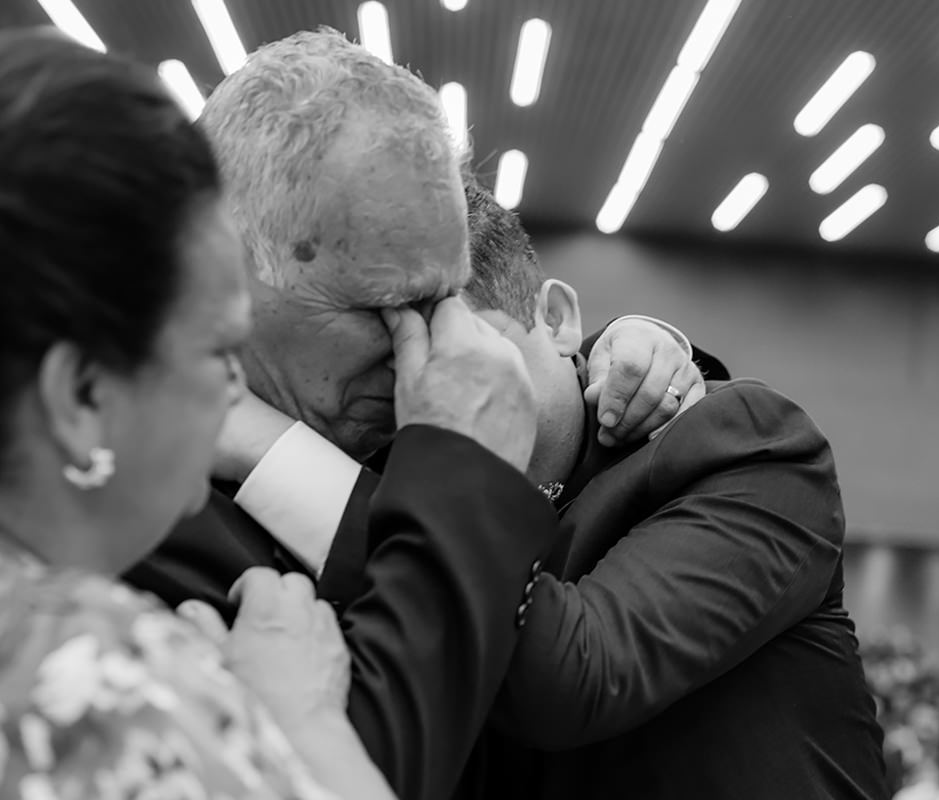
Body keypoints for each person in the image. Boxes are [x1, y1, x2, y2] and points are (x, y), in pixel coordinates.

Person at [124, 28, 718, 800]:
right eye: (392, 306)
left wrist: (640, 348)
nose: (442, 346)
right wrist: (461, 477)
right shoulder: (127, 503)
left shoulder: (373, 424)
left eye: (449, 296)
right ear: (229, 277)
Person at [0, 28, 538, 799]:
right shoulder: (101, 656)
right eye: (217, 350)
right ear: (84, 394)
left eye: (448, 299)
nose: (437, 345)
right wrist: (311, 726)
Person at [226, 175, 888, 799]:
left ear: (559, 317)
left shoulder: (741, 444)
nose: (416, 392)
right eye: (383, 370)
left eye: (435, 342)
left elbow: (581, 677)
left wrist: (265, 446)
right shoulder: (391, 488)